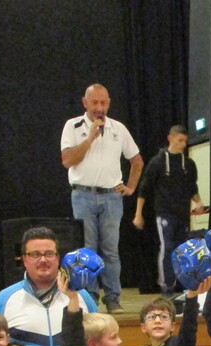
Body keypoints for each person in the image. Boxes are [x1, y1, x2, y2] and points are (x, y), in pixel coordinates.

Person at [60, 83, 144, 314]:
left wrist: (131, 187)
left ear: (109, 103)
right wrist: (90, 138)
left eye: (103, 102)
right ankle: (90, 299)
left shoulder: (119, 128)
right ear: (85, 102)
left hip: (111, 197)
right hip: (83, 195)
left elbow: (137, 161)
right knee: (87, 251)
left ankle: (113, 298)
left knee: (110, 251)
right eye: (95, 102)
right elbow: (67, 160)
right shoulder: (73, 126)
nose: (99, 107)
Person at [132, 124, 206, 295]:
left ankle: (183, 284)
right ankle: (166, 285)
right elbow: (144, 189)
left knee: (182, 249)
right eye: (180, 140)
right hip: (164, 213)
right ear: (170, 138)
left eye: (185, 141)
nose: (183, 144)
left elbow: (192, 188)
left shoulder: (188, 164)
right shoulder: (157, 162)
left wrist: (199, 202)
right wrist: (138, 214)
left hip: (183, 215)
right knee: (167, 247)